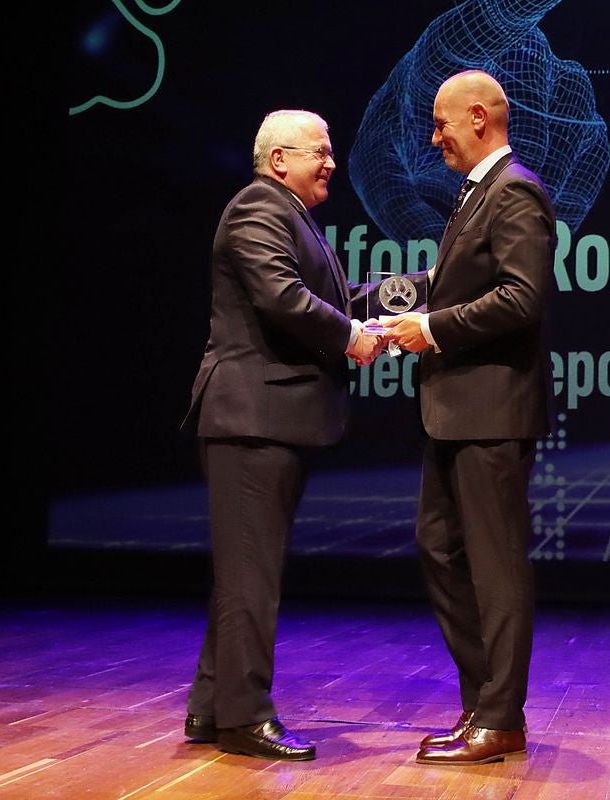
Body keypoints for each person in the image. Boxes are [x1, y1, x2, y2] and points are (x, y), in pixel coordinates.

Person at [180, 109, 385, 761]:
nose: (330, 162)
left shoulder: (288, 213)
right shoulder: (257, 209)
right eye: (319, 152)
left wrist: (417, 292)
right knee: (251, 577)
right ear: (277, 161)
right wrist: (352, 336)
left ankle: (212, 708)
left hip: (267, 419)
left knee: (246, 572)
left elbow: (336, 296)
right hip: (250, 419)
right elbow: (281, 298)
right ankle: (244, 720)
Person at [383, 70, 556, 766]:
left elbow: (522, 298)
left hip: (490, 413)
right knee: (441, 550)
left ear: (478, 117)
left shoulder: (514, 190)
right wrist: (392, 309)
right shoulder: (477, 194)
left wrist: (434, 328)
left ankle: (501, 716)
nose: (434, 136)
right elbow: (462, 285)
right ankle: (483, 703)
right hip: (455, 414)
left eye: (442, 123)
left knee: (496, 567)